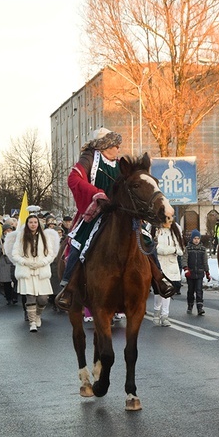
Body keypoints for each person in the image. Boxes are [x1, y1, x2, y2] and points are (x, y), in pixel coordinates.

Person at [55, 127, 174, 310]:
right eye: (115, 146)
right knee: (80, 240)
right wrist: (97, 194)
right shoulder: (89, 159)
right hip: (96, 211)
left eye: (119, 146)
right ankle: (68, 287)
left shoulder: (120, 164)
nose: (118, 150)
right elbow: (74, 179)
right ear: (104, 146)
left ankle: (159, 279)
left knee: (146, 239)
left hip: (121, 212)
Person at [11, 215, 59, 332]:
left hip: (41, 271)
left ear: (38, 224)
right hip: (27, 271)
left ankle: (38, 315)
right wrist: (25, 262)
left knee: (43, 299)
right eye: (31, 222)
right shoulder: (21, 237)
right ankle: (32, 322)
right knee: (30, 297)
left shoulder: (44, 237)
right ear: (27, 224)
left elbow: (51, 254)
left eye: (35, 222)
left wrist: (42, 262)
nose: (33, 224)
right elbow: (15, 254)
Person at [153, 217, 184, 327]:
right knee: (158, 291)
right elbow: (156, 248)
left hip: (171, 266)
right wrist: (171, 250)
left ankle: (165, 315)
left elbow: (180, 250)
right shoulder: (155, 229)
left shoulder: (175, 231)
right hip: (159, 265)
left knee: (168, 291)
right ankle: (156, 312)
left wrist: (172, 250)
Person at [184, 229, 210, 315]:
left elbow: (205, 262)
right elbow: (184, 259)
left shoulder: (202, 249)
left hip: (199, 273)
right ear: (192, 239)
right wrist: (186, 269)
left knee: (199, 290)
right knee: (191, 290)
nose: (196, 240)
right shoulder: (188, 248)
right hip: (190, 273)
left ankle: (200, 308)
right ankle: (190, 305)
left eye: (198, 238)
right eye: (194, 238)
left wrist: (207, 272)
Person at [0, 222, 18, 305]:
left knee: (15, 281)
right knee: (7, 283)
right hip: (4, 263)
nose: (8, 232)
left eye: (10, 230)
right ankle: (8, 298)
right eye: (6, 230)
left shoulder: (16, 239)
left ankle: (15, 296)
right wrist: (0, 248)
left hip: (13, 262)